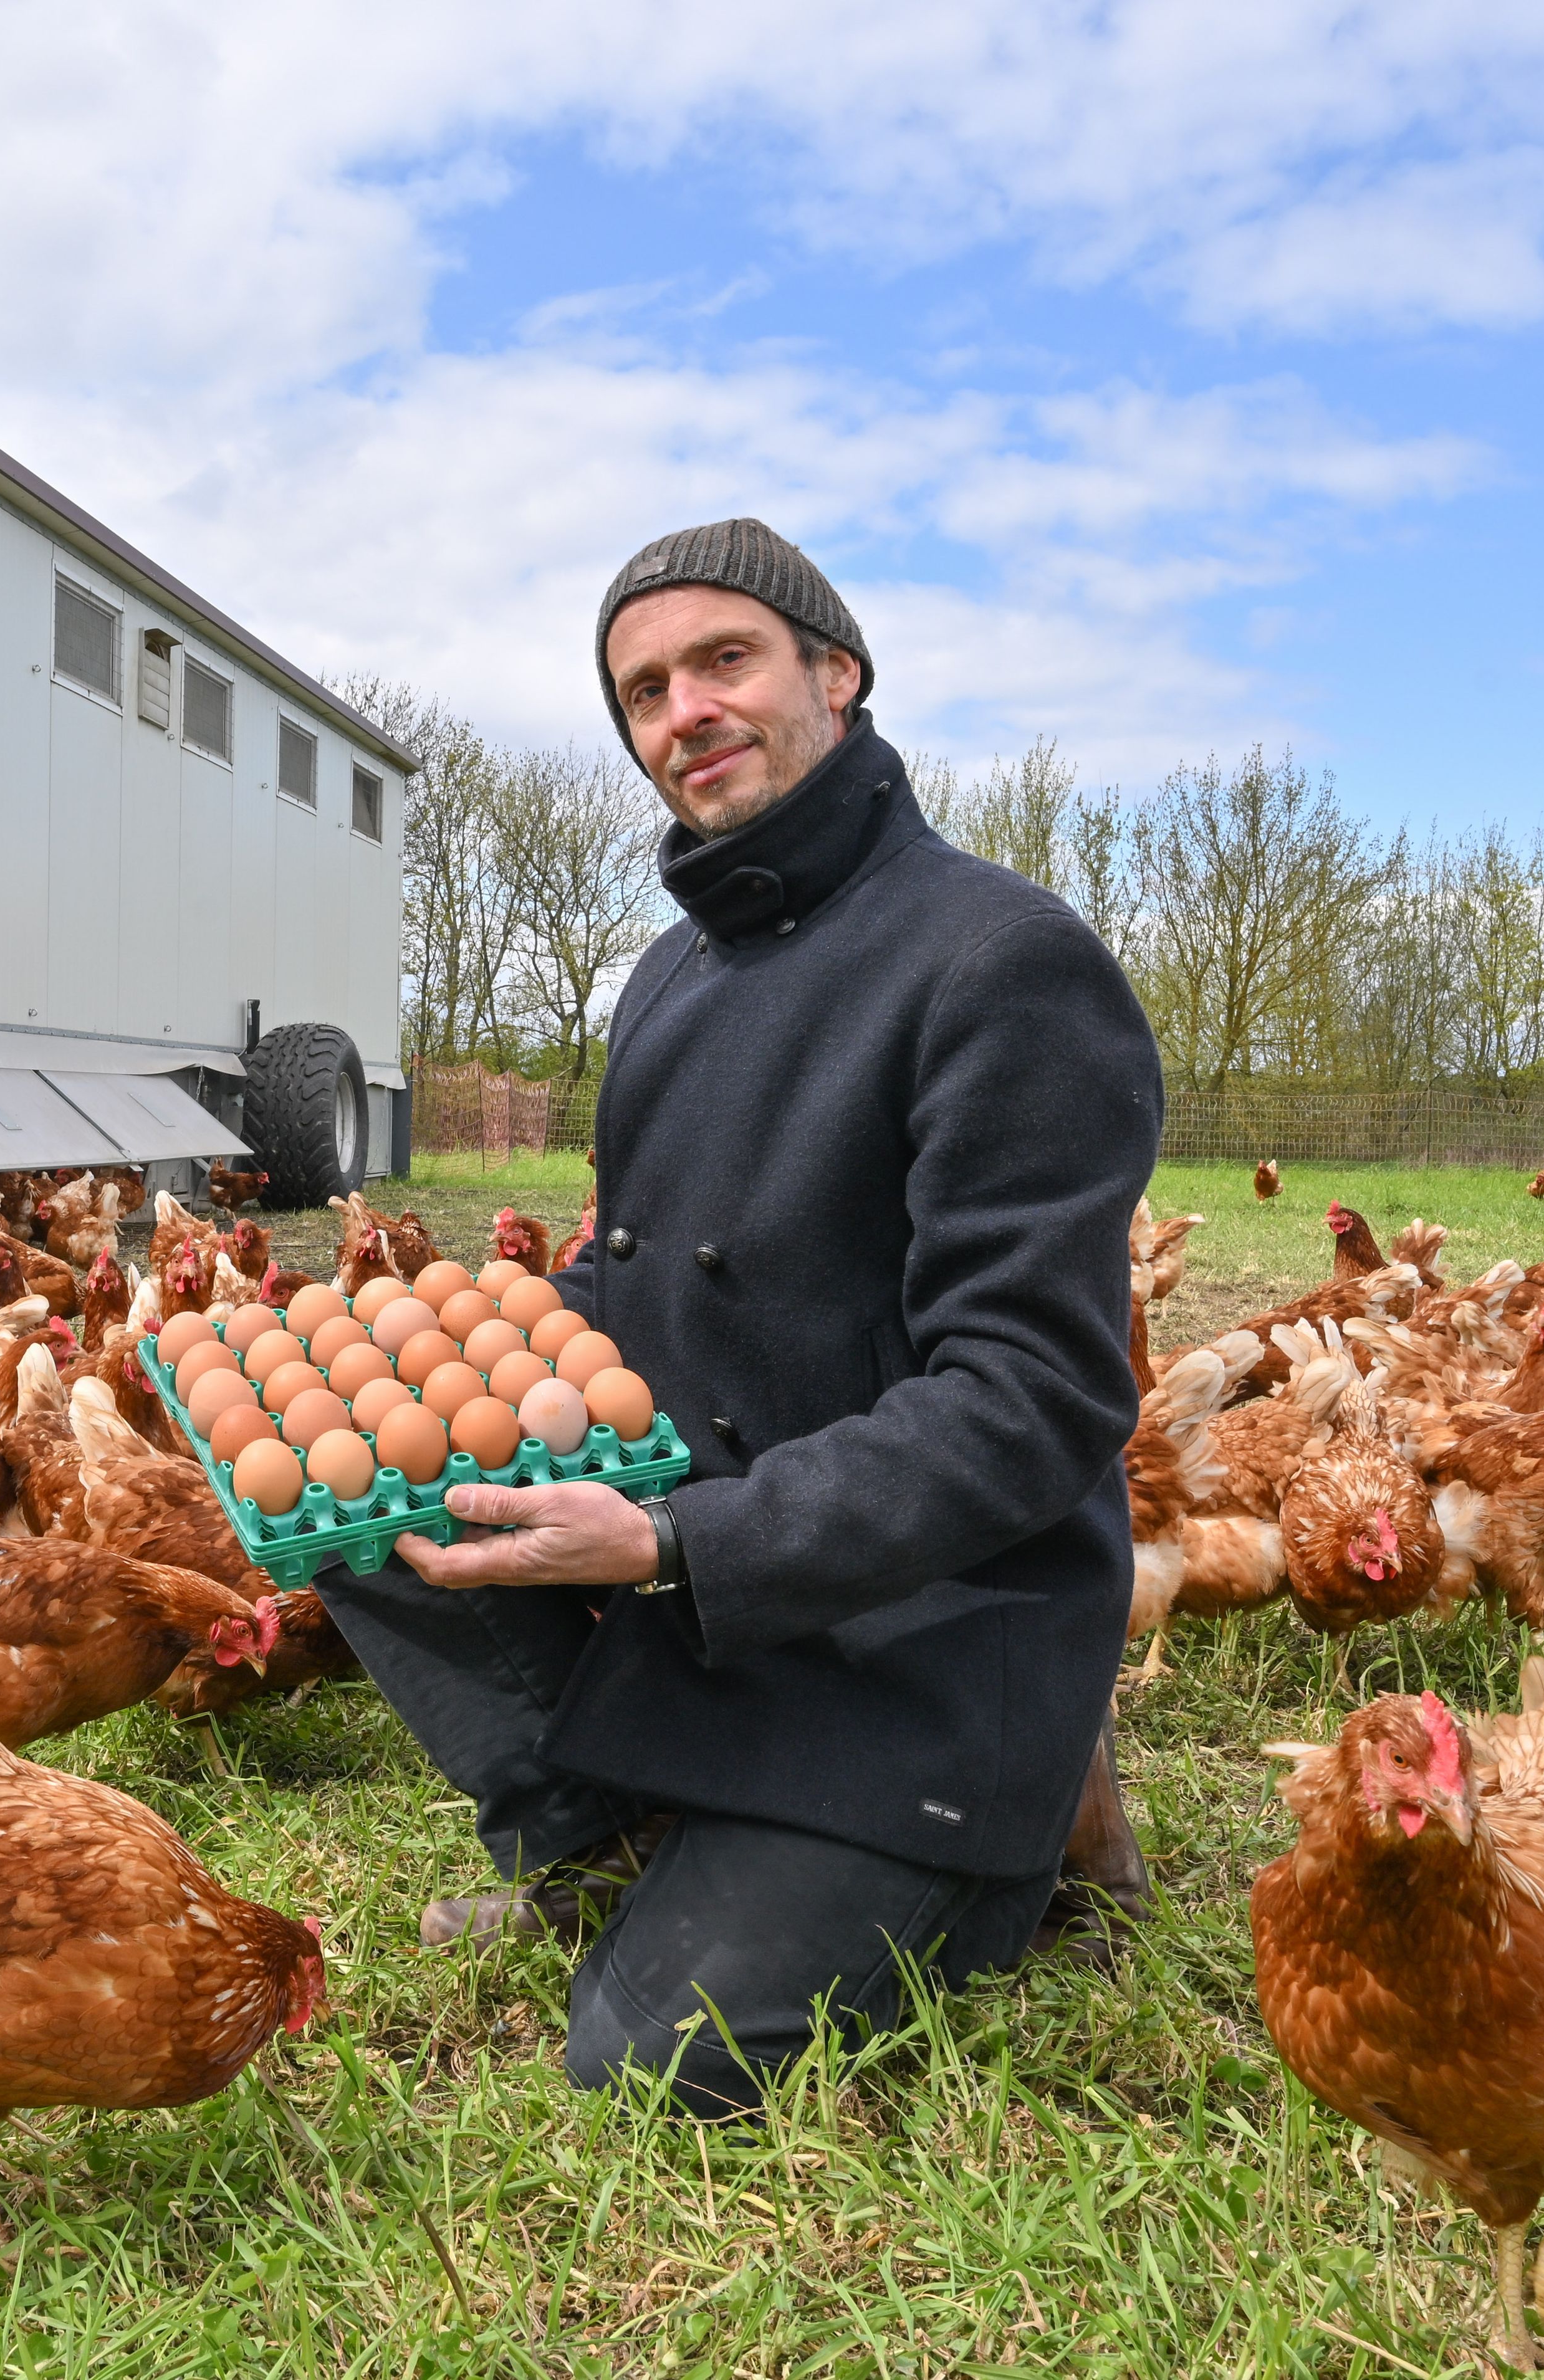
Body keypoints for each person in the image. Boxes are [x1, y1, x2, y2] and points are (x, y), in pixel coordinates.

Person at [319, 517, 1163, 2116]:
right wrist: (424, 1345)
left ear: (834, 676)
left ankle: (1016, 1838)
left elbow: (1035, 1400)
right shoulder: (667, 978)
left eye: (725, 660)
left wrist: (672, 1543)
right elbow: (636, 1282)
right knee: (357, 1499)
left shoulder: (999, 959)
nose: (682, 711)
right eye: (644, 690)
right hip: (717, 1579)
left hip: (922, 1631)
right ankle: (617, 1828)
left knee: (648, 2055)